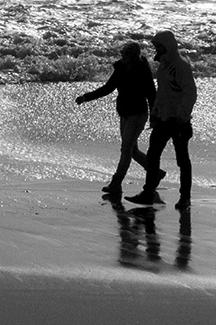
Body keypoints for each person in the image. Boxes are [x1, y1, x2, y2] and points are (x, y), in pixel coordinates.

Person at [76, 41, 162, 194]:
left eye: (126, 54)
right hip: (124, 113)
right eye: (122, 53)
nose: (123, 56)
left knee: (126, 149)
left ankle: (116, 183)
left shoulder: (142, 70)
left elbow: (151, 94)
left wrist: (154, 116)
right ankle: (155, 173)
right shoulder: (120, 68)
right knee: (132, 150)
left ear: (134, 56)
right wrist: (85, 97)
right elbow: (108, 88)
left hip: (138, 114)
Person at [125, 31, 197, 210]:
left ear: (168, 46)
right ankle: (148, 193)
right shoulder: (163, 66)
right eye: (155, 46)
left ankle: (185, 198)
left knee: (182, 160)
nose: (156, 49)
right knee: (153, 154)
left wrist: (182, 116)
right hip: (163, 120)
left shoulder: (181, 66)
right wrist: (155, 112)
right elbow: (162, 93)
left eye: (159, 46)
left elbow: (190, 94)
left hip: (179, 121)